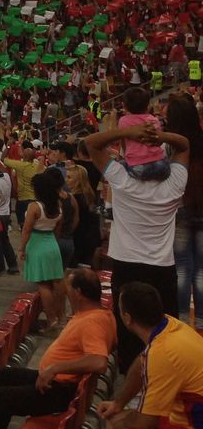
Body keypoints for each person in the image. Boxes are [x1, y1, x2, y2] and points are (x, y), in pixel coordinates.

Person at [87, 121, 190, 370]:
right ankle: (163, 375)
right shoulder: (174, 183)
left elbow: (90, 144)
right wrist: (160, 135)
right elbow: (184, 145)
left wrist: (127, 133)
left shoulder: (121, 179)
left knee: (129, 329)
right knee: (163, 330)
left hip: (127, 265)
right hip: (162, 267)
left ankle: (133, 380)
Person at [0, 268, 116, 429]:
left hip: (59, 391)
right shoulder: (101, 314)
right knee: (3, 376)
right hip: (55, 381)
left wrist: (54, 368)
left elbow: (99, 362)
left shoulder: (92, 322)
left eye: (68, 288)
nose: (65, 292)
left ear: (78, 292)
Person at [96, 283, 203, 429]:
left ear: (127, 318)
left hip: (193, 420)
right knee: (121, 418)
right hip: (189, 409)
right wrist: (118, 404)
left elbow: (144, 423)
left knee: (115, 423)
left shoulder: (163, 353)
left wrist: (117, 422)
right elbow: (142, 362)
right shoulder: (170, 325)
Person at [164, 92, 203, 332]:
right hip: (201, 207)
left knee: (181, 266)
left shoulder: (170, 145)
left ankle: (179, 319)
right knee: (201, 268)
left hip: (178, 207)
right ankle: (201, 320)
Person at [20, 171, 68, 328]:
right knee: (58, 280)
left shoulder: (34, 206)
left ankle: (51, 319)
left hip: (36, 243)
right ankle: (62, 316)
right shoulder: (58, 205)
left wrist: (21, 248)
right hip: (51, 242)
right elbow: (58, 228)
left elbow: (27, 230)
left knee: (43, 284)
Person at [5, 146, 41, 228]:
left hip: (23, 200)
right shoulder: (38, 166)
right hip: (35, 200)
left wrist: (8, 146)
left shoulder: (20, 165)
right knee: (33, 225)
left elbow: (3, 159)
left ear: (23, 156)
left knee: (23, 225)